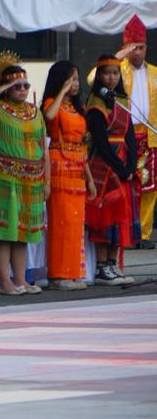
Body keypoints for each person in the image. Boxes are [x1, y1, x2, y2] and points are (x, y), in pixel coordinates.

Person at [0, 55, 48, 296]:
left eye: (25, 85)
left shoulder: (35, 112)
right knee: (5, 231)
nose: (23, 89)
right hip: (3, 177)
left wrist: (47, 180)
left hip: (31, 179)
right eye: (16, 85)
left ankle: (22, 279)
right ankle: (5, 281)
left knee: (22, 231)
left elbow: (43, 147)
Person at [85, 55, 138, 285]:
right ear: (99, 76)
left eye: (115, 73)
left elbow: (130, 135)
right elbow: (101, 142)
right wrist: (119, 167)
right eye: (107, 73)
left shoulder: (122, 101)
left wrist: (131, 165)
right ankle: (102, 266)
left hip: (122, 163)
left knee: (121, 216)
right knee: (105, 215)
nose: (111, 77)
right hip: (104, 165)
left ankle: (114, 263)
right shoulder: (95, 104)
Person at [41, 61, 92, 291]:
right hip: (59, 165)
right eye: (71, 79)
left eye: (77, 80)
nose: (76, 84)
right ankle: (58, 274)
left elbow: (83, 144)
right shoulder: (53, 103)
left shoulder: (78, 107)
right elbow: (49, 117)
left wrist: (89, 177)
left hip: (77, 166)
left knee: (74, 222)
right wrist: (62, 91)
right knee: (60, 222)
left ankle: (73, 273)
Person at [116, 16, 155, 246]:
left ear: (146, 48)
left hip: (150, 137)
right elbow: (92, 78)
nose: (137, 52)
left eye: (141, 48)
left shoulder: (156, 73)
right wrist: (119, 57)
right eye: (133, 48)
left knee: (150, 187)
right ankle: (127, 232)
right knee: (127, 185)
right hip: (125, 136)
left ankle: (145, 234)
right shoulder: (116, 70)